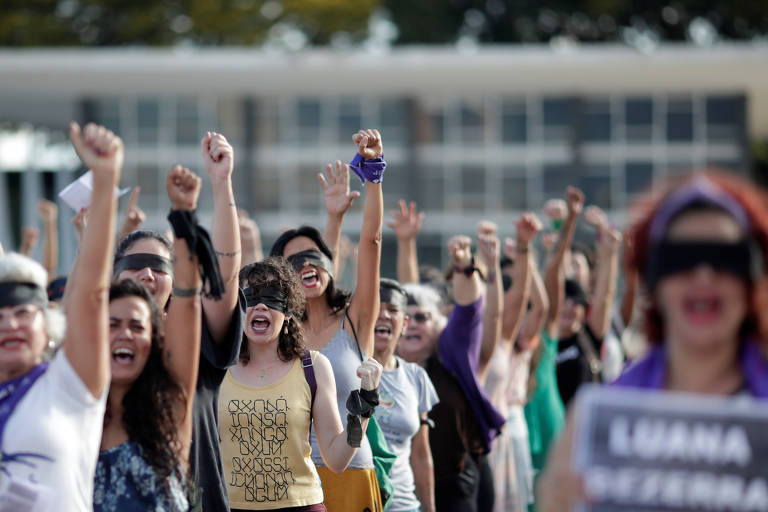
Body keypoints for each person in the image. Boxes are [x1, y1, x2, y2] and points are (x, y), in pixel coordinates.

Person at [537, 172, 768, 511]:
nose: (703, 275)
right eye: (681, 259)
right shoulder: (593, 429)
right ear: (653, 279)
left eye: (725, 258)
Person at [113, 131, 245, 512]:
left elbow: (225, 274)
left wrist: (221, 184)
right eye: (134, 266)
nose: (147, 276)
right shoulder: (98, 343)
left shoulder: (194, 337)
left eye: (158, 267)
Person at [0, 122, 121, 510]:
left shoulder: (69, 383)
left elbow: (92, 294)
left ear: (47, 325)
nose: (11, 324)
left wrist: (105, 180)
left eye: (23, 313)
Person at [269, 129, 385, 512]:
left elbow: (370, 245)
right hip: (289, 481)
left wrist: (373, 177)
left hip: (350, 474)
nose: (307, 266)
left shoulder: (357, 321)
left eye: (315, 257)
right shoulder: (274, 333)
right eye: (295, 261)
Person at [220, 258, 383, 511]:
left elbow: (338, 459)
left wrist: (365, 405)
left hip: (301, 505)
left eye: (272, 297)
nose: (261, 305)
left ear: (287, 312)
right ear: (238, 306)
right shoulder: (216, 370)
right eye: (251, 296)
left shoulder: (313, 367)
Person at [94, 164, 206, 510]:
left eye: (137, 326)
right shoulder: (77, 413)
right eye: (112, 325)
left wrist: (184, 217)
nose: (125, 334)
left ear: (155, 340)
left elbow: (188, 300)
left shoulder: (171, 406)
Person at [400, 236, 506, 512]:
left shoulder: (450, 355)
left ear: (439, 325)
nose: (413, 325)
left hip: (455, 483)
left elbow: (470, 311)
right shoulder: (384, 363)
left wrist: (463, 266)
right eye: (406, 318)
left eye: (422, 317)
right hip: (399, 482)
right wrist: (404, 240)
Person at [481, 215, 541, 512]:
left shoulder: (505, 338)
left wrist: (523, 248)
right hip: (465, 445)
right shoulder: (455, 337)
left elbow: (521, 297)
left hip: (500, 442)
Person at [372, 278, 438, 512]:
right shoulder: (344, 369)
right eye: (376, 308)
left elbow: (421, 454)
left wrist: (429, 508)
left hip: (403, 504)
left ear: (404, 323)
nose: (384, 316)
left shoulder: (416, 377)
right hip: (355, 502)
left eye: (393, 310)